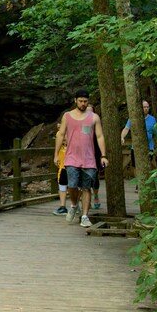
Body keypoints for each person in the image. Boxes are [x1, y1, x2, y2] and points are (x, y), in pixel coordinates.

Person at [54, 89, 108, 227]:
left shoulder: (94, 117)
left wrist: (103, 155)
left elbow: (100, 136)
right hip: (71, 156)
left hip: (88, 159)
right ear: (75, 100)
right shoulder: (67, 116)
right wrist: (56, 154)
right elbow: (60, 135)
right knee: (72, 185)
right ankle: (73, 205)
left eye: (85, 101)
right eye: (80, 101)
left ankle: (84, 215)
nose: (83, 104)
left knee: (86, 188)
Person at [120, 100, 157, 168]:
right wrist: (122, 137)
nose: (146, 108)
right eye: (144, 107)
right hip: (135, 147)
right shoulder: (133, 118)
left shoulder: (152, 119)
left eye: (147, 107)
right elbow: (126, 128)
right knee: (136, 167)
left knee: (147, 166)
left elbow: (156, 133)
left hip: (149, 147)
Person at [52, 119, 69, 215]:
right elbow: (57, 145)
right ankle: (63, 206)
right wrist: (56, 156)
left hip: (74, 161)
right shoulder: (59, 133)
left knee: (75, 184)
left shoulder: (73, 132)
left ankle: (76, 206)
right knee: (62, 182)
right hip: (63, 162)